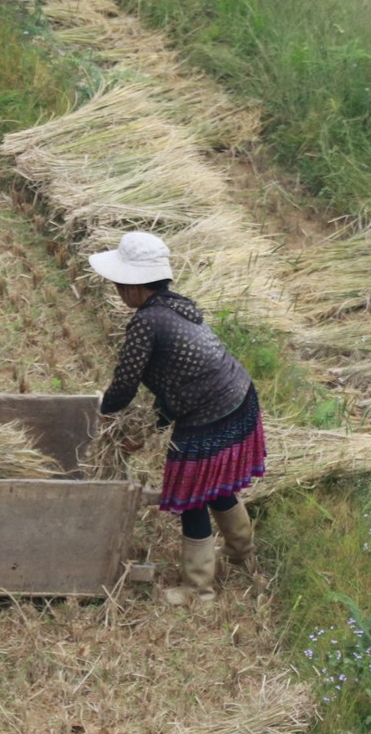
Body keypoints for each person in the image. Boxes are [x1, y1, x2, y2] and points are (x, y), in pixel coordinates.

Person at [91, 230, 265, 601]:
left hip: (210, 412)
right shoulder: (176, 306)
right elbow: (178, 387)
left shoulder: (147, 322)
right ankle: (241, 555)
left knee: (193, 496)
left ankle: (198, 590)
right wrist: (149, 427)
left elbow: (125, 384)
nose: (119, 291)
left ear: (136, 287)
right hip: (238, 397)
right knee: (220, 487)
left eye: (121, 284)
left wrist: (104, 417)